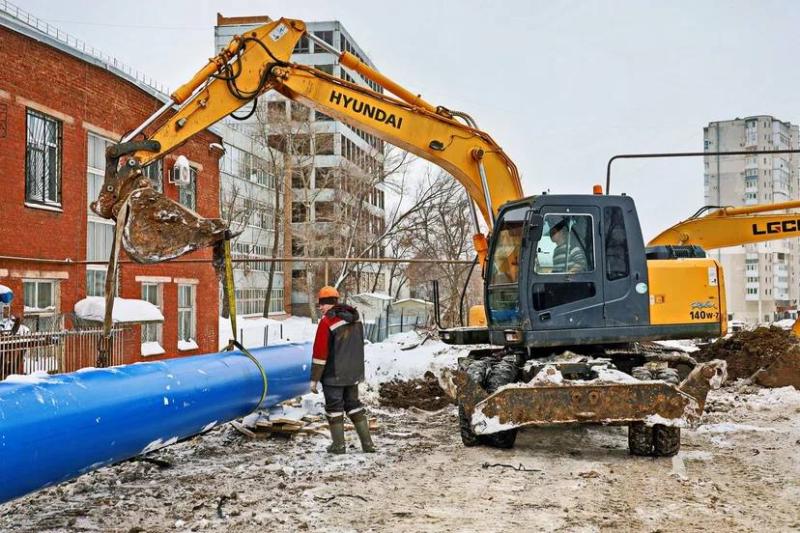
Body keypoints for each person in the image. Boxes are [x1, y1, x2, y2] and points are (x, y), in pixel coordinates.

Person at [310, 286, 376, 454]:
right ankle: (368, 444)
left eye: (322, 304)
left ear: (329, 304)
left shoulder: (327, 322)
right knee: (354, 405)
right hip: (353, 372)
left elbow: (320, 352)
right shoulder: (355, 319)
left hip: (334, 374)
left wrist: (314, 378)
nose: (321, 308)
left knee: (334, 409)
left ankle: (338, 446)